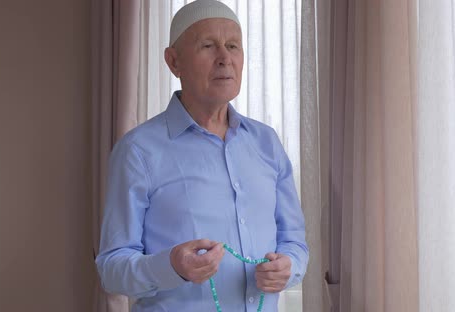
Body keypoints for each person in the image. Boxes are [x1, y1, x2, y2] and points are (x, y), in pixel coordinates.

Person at [95, 1, 308, 311]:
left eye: (233, 46)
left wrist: (289, 266)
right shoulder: (138, 151)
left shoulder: (267, 143)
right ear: (173, 61)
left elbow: (294, 241)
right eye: (208, 45)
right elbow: (111, 269)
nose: (225, 58)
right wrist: (171, 267)